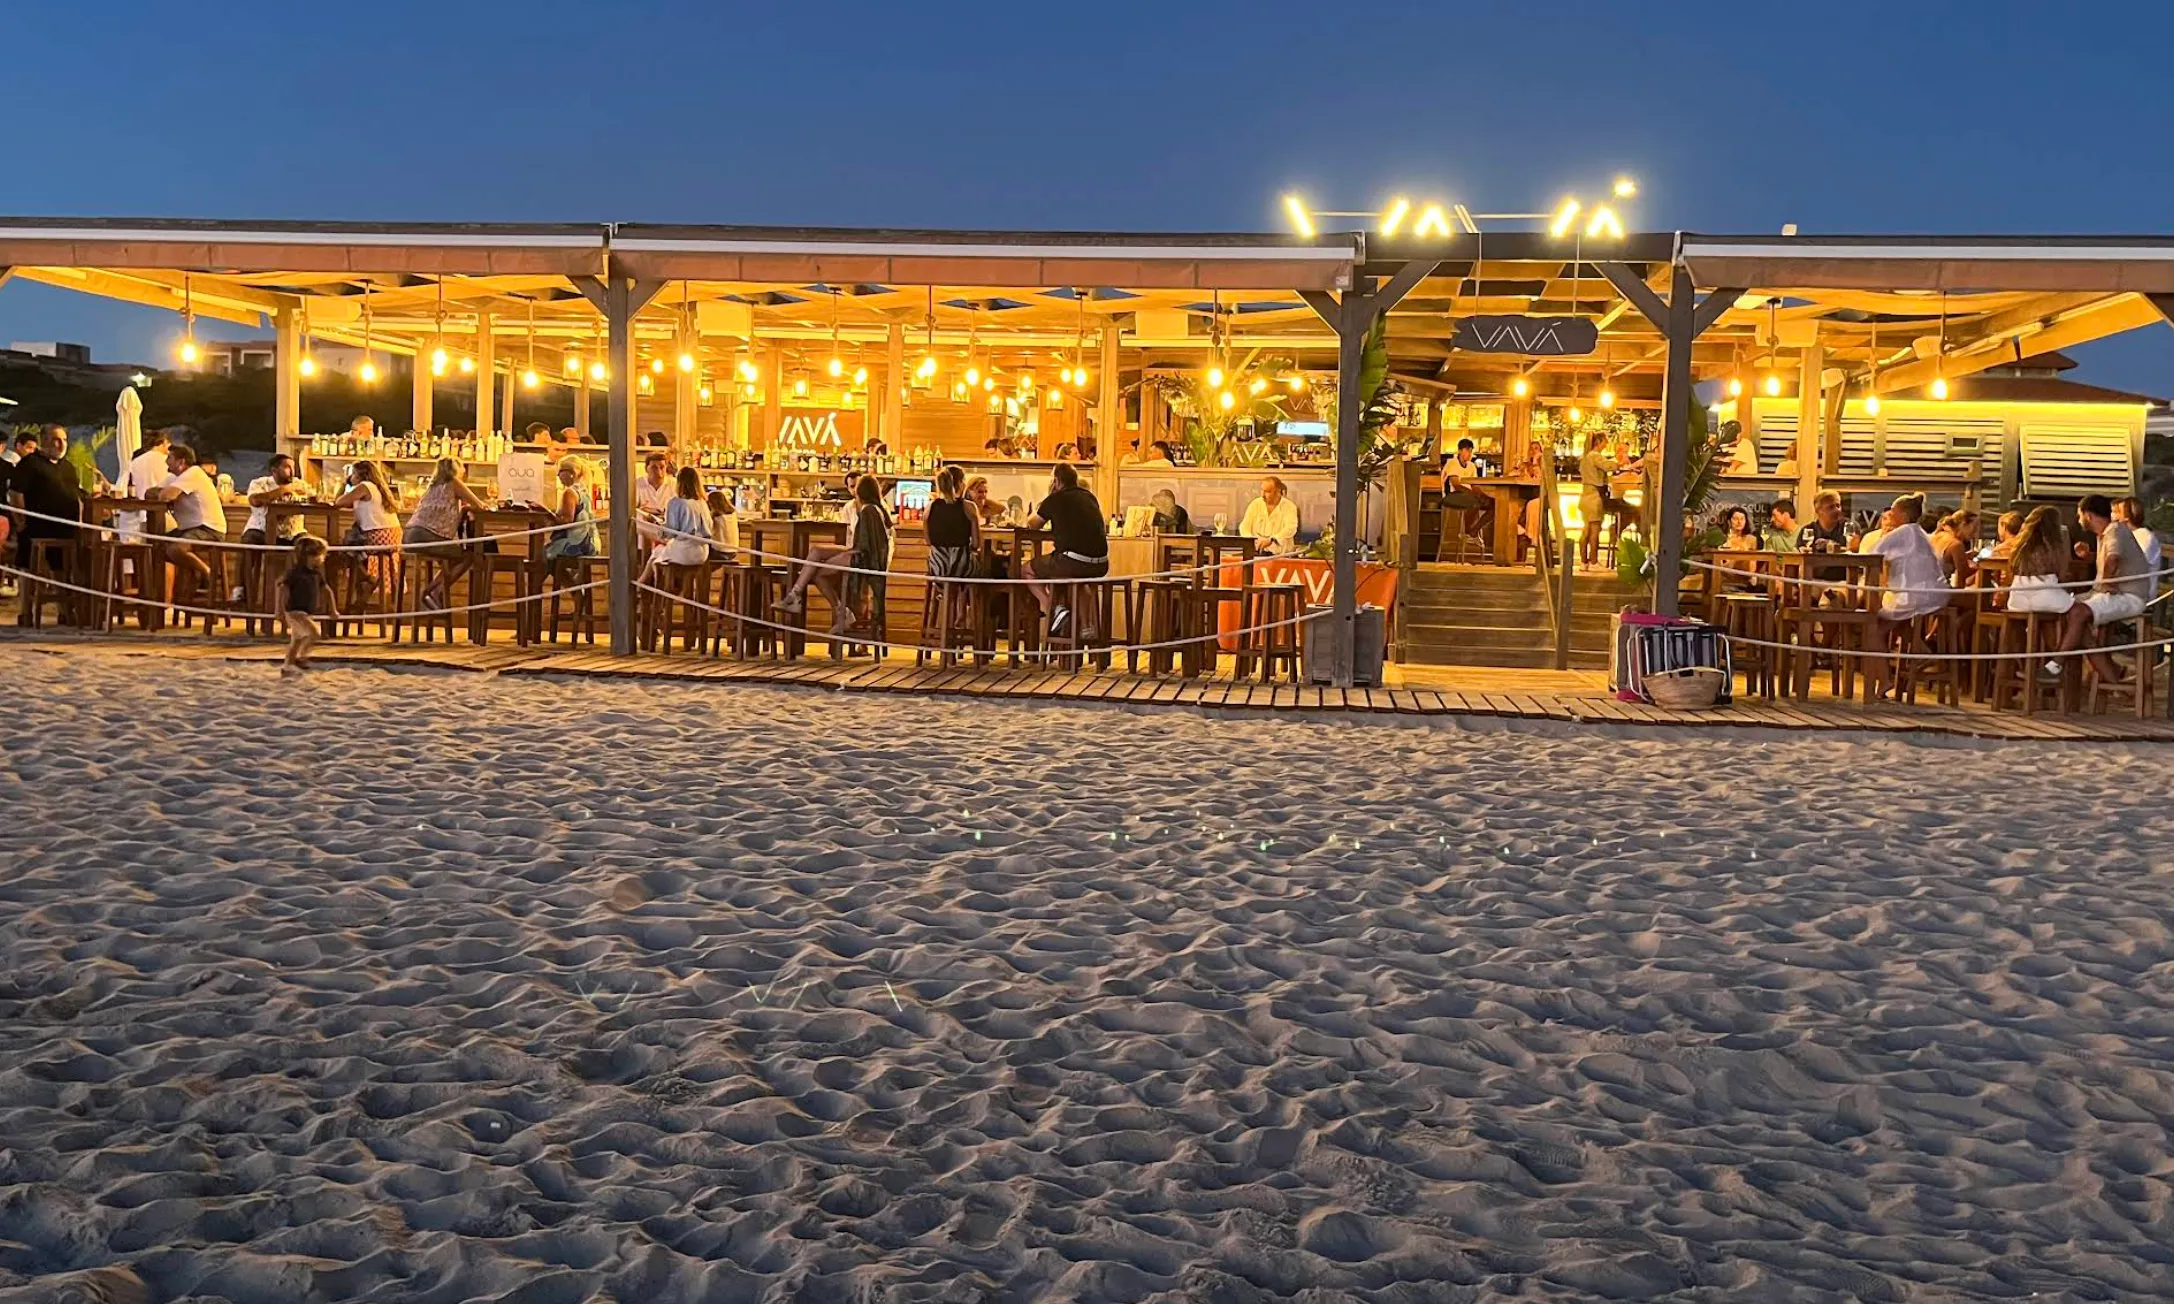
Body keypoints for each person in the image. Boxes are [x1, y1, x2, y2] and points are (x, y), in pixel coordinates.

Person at [2051, 493, 2152, 682]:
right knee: (2064, 607)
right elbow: (2112, 559)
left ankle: (2055, 666)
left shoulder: (2115, 530)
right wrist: (2089, 557)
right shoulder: (2105, 534)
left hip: (2128, 595)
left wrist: (2106, 582)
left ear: (2088, 515)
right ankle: (2110, 672)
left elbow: (2113, 559)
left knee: (2077, 613)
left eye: (2079, 514)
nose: (2078, 519)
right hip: (2111, 593)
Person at [1022, 462, 1108, 636]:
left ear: (1056, 481)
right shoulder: (1089, 497)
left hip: (1072, 562)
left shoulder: (1056, 498)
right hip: (1101, 564)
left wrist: (1046, 500)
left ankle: (1052, 609)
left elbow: (1033, 525)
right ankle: (1087, 628)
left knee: (1026, 570)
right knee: (1079, 582)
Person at [8, 427, 89, 601]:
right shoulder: (30, 463)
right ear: (44, 441)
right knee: (28, 563)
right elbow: (15, 493)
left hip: (66, 527)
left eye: (64, 440)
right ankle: (27, 609)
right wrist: (21, 521)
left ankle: (66, 607)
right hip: (37, 527)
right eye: (56, 440)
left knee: (72, 560)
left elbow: (75, 492)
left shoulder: (67, 467)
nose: (61, 445)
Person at [403, 457, 491, 608]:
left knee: (451, 557)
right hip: (427, 536)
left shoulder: (432, 487)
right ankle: (433, 592)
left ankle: (434, 592)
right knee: (468, 555)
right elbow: (480, 506)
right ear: (456, 470)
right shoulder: (454, 482)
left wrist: (463, 509)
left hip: (409, 536)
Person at [146, 441, 226, 601]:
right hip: (189, 529)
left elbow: (166, 496)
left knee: (175, 550)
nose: (166, 461)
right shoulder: (176, 478)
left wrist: (165, 493)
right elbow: (150, 493)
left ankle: (207, 573)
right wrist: (164, 492)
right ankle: (161, 602)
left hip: (209, 529)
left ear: (181, 462)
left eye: (170, 458)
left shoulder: (193, 473)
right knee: (156, 548)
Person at [640, 467, 714, 585]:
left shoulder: (675, 502)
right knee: (661, 552)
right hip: (702, 553)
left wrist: (659, 526)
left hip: (684, 552)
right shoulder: (702, 503)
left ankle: (644, 587)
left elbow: (670, 533)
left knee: (657, 551)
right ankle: (649, 586)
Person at [275, 535, 336, 676]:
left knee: (296, 640)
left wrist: (333, 610)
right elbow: (281, 587)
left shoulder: (316, 574)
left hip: (306, 612)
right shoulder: (295, 573)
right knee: (314, 633)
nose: (323, 558)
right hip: (295, 611)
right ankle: (301, 657)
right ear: (311, 556)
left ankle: (287, 666)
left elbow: (327, 591)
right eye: (322, 555)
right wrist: (278, 610)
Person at [2004, 506, 2076, 615]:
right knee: (2078, 609)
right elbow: (2062, 574)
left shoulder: (2019, 546)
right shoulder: (2054, 547)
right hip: (2047, 599)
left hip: (2016, 601)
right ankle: (2061, 632)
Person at [542, 456, 600, 562]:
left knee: (542, 555)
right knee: (550, 559)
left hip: (575, 545)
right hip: (590, 544)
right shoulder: (584, 492)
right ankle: (564, 578)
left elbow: (567, 521)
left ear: (571, 472)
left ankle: (561, 578)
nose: (557, 475)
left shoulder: (569, 492)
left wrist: (547, 512)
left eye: (560, 471)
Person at [1577, 433, 1619, 567]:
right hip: (1594, 496)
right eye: (1605, 442)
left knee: (1586, 529)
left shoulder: (1584, 458)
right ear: (1598, 442)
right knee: (1595, 530)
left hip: (1584, 496)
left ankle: (1583, 561)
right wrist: (1619, 462)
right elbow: (1608, 466)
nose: (1606, 444)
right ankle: (1593, 560)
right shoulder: (1595, 456)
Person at [1239, 476, 1300, 555]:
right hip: (1256, 554)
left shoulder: (1289, 507)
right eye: (1262, 490)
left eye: (1267, 492)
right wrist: (1251, 541)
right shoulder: (1255, 504)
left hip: (1280, 556)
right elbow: (1244, 527)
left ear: (1277, 491)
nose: (1263, 495)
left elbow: (1290, 529)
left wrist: (1272, 540)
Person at [1928, 508, 1981, 587]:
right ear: (1963, 525)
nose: (1975, 533)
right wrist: (1981, 565)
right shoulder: (1956, 544)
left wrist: (1964, 556)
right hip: (1937, 590)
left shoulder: (1936, 535)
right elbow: (1963, 574)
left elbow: (1941, 559)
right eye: (1974, 528)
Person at [634, 450, 674, 547]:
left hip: (667, 537)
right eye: (654, 468)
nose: (659, 471)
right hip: (644, 538)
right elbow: (631, 509)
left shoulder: (674, 484)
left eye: (662, 467)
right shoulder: (637, 484)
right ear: (646, 468)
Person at [2115, 497, 2162, 579]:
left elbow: (2135, 566)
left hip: (2140, 589)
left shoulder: (2145, 537)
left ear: (2127, 517)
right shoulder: (2128, 534)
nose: (2114, 516)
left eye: (2117, 512)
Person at [706, 489, 740, 559]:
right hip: (734, 551)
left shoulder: (715, 516)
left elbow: (707, 531)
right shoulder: (733, 513)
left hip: (719, 551)